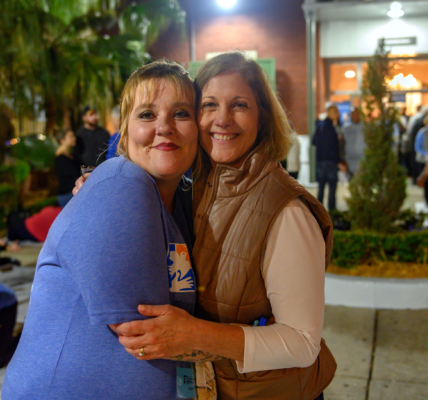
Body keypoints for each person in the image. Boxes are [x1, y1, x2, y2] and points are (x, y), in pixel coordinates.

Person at [105, 52, 336, 400]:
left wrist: (194, 334)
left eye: (239, 105)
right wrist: (103, 183)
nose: (222, 120)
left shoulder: (287, 210)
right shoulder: (198, 188)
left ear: (263, 118)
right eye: (209, 105)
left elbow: (303, 343)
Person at [2, 60, 199, 399]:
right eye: (147, 115)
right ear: (124, 133)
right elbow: (145, 333)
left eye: (181, 113)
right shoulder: (124, 183)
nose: (164, 126)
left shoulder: (184, 200)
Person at [313, 104, 342, 211]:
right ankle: (332, 212)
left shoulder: (320, 125)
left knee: (321, 189)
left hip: (321, 162)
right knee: (332, 189)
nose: (337, 114)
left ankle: (318, 213)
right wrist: (338, 161)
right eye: (335, 112)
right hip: (330, 163)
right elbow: (332, 147)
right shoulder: (330, 128)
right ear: (329, 112)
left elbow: (314, 141)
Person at [54, 128, 81, 208]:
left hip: (71, 193)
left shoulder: (70, 155)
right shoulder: (61, 158)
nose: (74, 138)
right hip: (67, 194)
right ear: (62, 140)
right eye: (71, 136)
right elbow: (75, 173)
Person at [342, 107, 366, 176]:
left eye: (357, 114)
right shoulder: (345, 129)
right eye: (353, 114)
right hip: (349, 162)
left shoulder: (366, 129)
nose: (356, 116)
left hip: (363, 162)